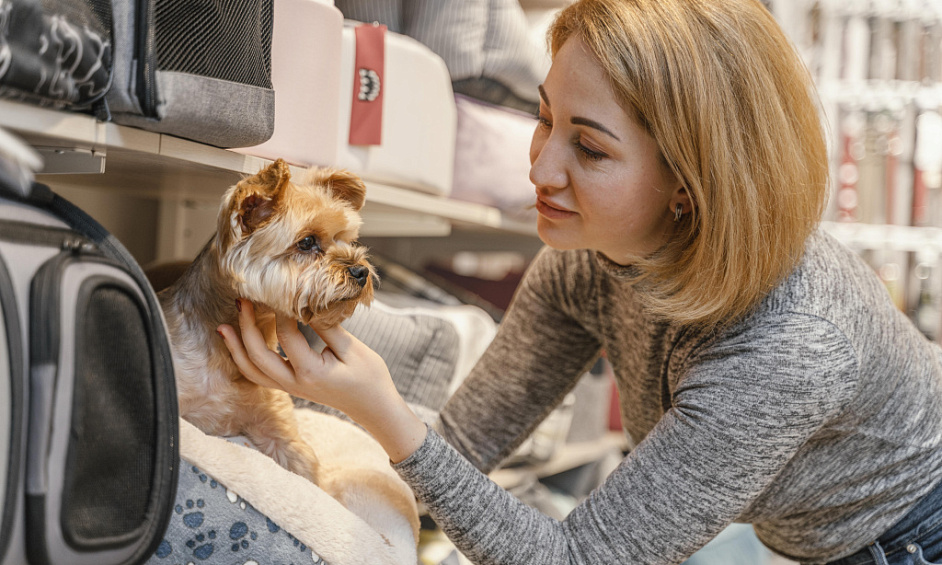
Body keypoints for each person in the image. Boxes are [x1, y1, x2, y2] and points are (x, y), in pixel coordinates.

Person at [216, 0, 942, 563]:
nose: (539, 170)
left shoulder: (790, 343)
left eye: (589, 147)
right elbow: (468, 440)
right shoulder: (587, 259)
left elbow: (580, 558)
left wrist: (384, 410)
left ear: (690, 184)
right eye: (544, 117)